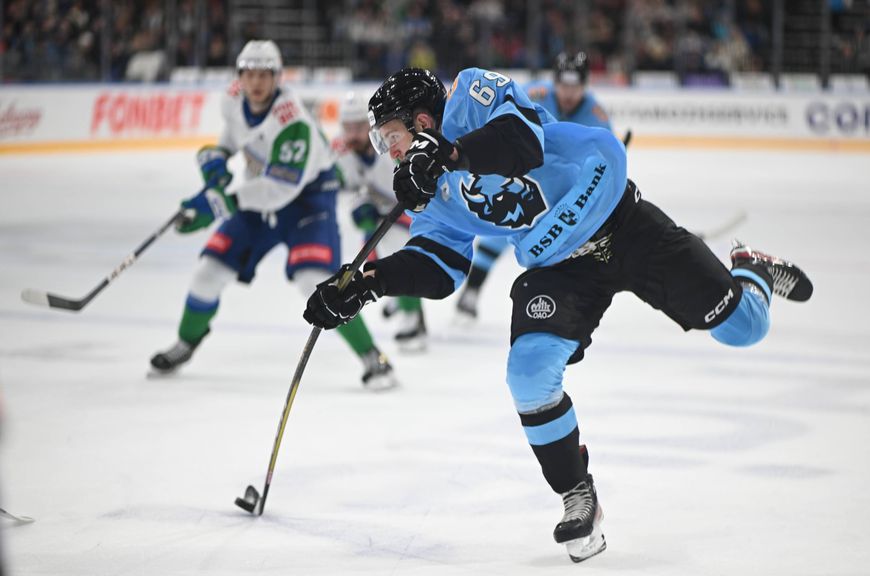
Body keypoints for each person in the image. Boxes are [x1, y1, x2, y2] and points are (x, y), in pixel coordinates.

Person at [302, 67, 813, 562]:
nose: (388, 151)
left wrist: (452, 154)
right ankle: (577, 493)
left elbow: (523, 140)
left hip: (621, 221)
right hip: (559, 267)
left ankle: (752, 268)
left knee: (745, 328)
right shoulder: (425, 189)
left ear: (422, 120)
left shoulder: (470, 93)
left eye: (391, 136)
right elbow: (441, 267)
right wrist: (369, 283)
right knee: (528, 374)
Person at [150, 40, 398, 390]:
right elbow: (236, 132)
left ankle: (373, 357)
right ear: (239, 76)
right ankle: (185, 343)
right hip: (259, 196)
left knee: (315, 280)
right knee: (209, 272)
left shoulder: (291, 119)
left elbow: (281, 188)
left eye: (264, 74)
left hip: (309, 200)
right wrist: (219, 156)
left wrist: (220, 202)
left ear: (277, 77)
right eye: (249, 74)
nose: (256, 82)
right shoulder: (232, 99)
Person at [455, 50, 614, 321]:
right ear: (554, 81)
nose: (568, 93)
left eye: (575, 86)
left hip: (559, 188)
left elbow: (603, 161)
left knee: (554, 243)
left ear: (585, 85)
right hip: (520, 173)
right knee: (500, 227)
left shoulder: (596, 116)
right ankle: (472, 291)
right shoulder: (532, 94)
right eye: (563, 85)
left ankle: (558, 301)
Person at [332, 91, 427, 352]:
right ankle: (402, 296)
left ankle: (412, 318)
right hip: (382, 216)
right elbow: (345, 188)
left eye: (358, 127)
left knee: (400, 252)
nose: (353, 134)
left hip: (414, 210)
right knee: (375, 264)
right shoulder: (339, 152)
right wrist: (358, 204)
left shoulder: (391, 145)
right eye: (347, 127)